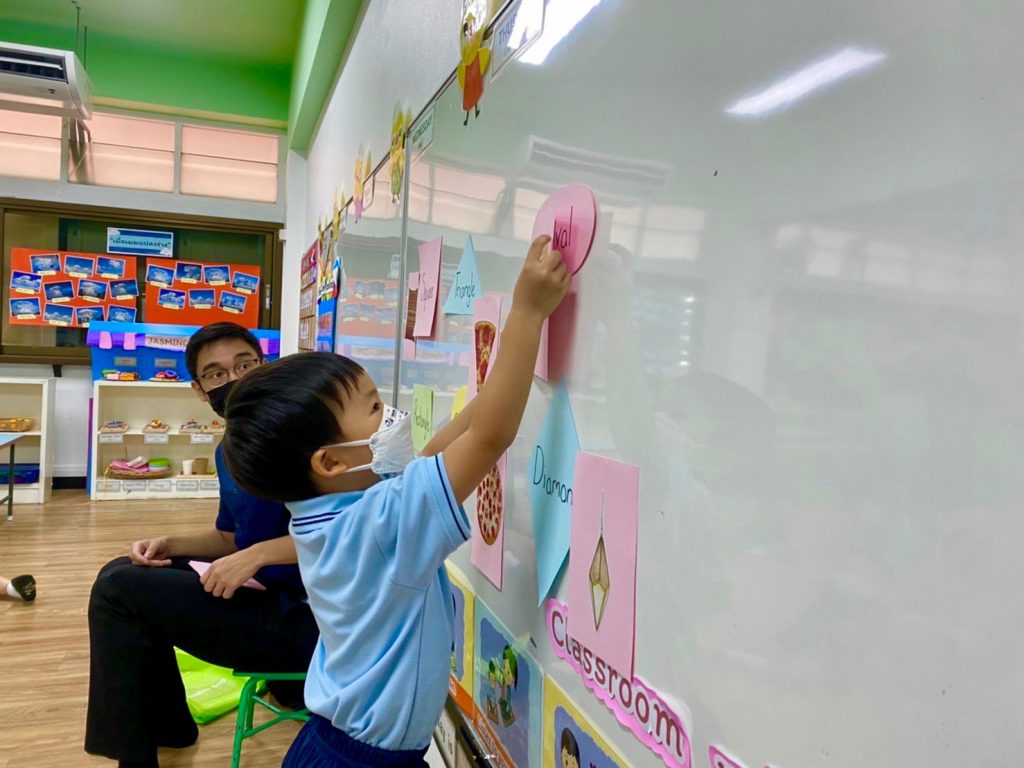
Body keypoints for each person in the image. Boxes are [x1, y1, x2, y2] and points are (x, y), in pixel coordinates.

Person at [222, 234, 569, 767]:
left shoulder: (325, 515)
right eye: (375, 409)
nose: (391, 418)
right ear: (329, 462)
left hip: (339, 746)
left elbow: (437, 452)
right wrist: (527, 313)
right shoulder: (378, 524)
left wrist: (492, 382)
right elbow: (490, 437)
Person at [85, 323, 319, 768]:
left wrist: (259, 554)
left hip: (309, 619)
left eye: (244, 365)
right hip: (266, 596)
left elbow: (349, 532)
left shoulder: (303, 441)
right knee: (126, 571)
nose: (234, 379)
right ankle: (168, 728)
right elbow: (230, 538)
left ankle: (141, 754)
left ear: (264, 366)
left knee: (119, 590)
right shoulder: (229, 450)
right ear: (199, 389)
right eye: (216, 373)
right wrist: (169, 544)